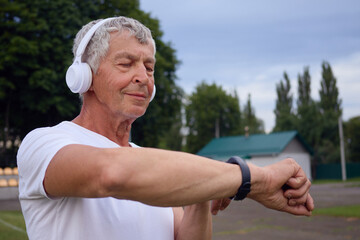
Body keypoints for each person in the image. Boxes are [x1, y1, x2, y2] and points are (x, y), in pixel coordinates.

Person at [17, 16, 314, 240]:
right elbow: (114, 174)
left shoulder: (152, 166)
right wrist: (253, 179)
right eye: (126, 64)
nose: (143, 78)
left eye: (149, 67)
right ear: (84, 76)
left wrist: (201, 192)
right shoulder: (45, 144)